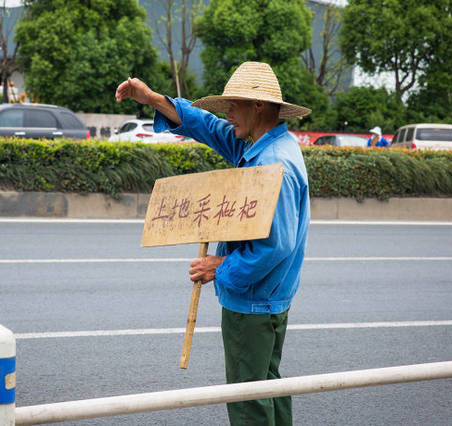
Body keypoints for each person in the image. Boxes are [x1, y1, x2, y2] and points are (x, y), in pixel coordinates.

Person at [115, 61, 310, 426]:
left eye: (233, 106)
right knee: (267, 386)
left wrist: (219, 267)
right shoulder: (263, 144)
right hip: (269, 298)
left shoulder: (272, 163)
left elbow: (277, 246)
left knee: (247, 398)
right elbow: (209, 127)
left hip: (253, 301)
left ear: (258, 106)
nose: (228, 114)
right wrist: (155, 99)